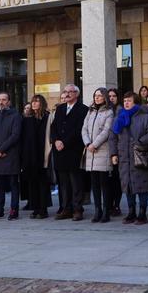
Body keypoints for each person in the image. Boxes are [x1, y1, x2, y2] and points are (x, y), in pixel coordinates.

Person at [109, 91, 148, 225]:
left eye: (129, 101)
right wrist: (113, 154)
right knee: (127, 186)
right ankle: (131, 212)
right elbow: (112, 137)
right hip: (124, 157)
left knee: (142, 185)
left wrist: (141, 141)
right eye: (125, 101)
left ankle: (142, 213)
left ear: (135, 102)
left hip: (140, 156)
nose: (126, 103)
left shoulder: (145, 116)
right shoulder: (119, 117)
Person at [51, 84, 89, 221]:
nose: (66, 94)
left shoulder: (83, 109)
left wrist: (64, 142)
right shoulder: (60, 108)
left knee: (76, 182)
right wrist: (55, 140)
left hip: (74, 150)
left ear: (76, 94)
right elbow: (54, 127)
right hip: (59, 151)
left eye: (70, 92)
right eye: (65, 92)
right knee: (63, 182)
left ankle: (77, 209)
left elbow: (79, 130)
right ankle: (65, 208)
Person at [0, 92, 22, 220]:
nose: (1, 102)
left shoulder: (15, 116)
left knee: (13, 184)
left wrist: (1, 149)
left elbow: (15, 135)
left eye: (4, 100)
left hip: (10, 155)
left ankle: (14, 210)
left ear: (9, 102)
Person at [82, 87, 114, 223]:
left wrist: (95, 144)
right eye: (95, 95)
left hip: (102, 151)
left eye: (100, 96)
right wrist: (88, 143)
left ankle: (106, 211)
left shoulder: (109, 112)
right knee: (94, 184)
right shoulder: (90, 111)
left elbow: (106, 131)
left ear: (105, 97)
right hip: (90, 152)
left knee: (104, 184)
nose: (97, 98)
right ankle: (97, 210)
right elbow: (83, 129)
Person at [22, 94, 51, 219]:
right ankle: (35, 208)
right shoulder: (28, 119)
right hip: (30, 155)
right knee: (33, 182)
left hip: (43, 154)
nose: (34, 104)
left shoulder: (47, 117)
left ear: (42, 103)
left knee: (43, 182)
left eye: (37, 101)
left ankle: (43, 209)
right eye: (33, 101)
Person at [106, 88, 123, 217]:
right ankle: (108, 204)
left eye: (114, 96)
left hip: (117, 149)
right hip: (104, 148)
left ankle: (116, 205)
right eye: (109, 96)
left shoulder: (120, 111)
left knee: (116, 179)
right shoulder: (105, 110)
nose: (111, 98)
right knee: (108, 181)